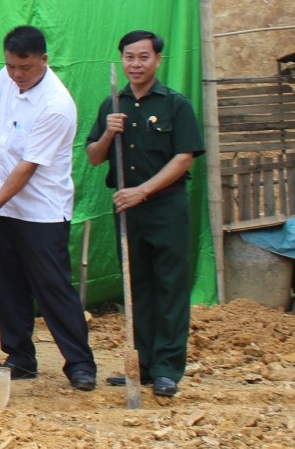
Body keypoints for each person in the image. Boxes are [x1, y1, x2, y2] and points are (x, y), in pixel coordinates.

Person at [0, 25, 96, 392]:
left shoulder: (57, 106)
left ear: (44, 59)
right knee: (10, 286)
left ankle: (80, 363)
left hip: (41, 211)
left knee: (52, 287)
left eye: (24, 67)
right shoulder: (7, 77)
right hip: (4, 208)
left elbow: (28, 167)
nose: (17, 75)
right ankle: (20, 357)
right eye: (11, 66)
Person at [85, 30, 205, 398]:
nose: (135, 64)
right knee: (136, 288)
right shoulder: (113, 104)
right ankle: (143, 365)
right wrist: (108, 133)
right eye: (129, 58)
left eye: (143, 57)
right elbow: (93, 156)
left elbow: (184, 157)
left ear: (157, 60)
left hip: (165, 207)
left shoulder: (175, 104)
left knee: (169, 287)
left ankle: (168, 369)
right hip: (127, 211)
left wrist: (143, 191)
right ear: (121, 60)